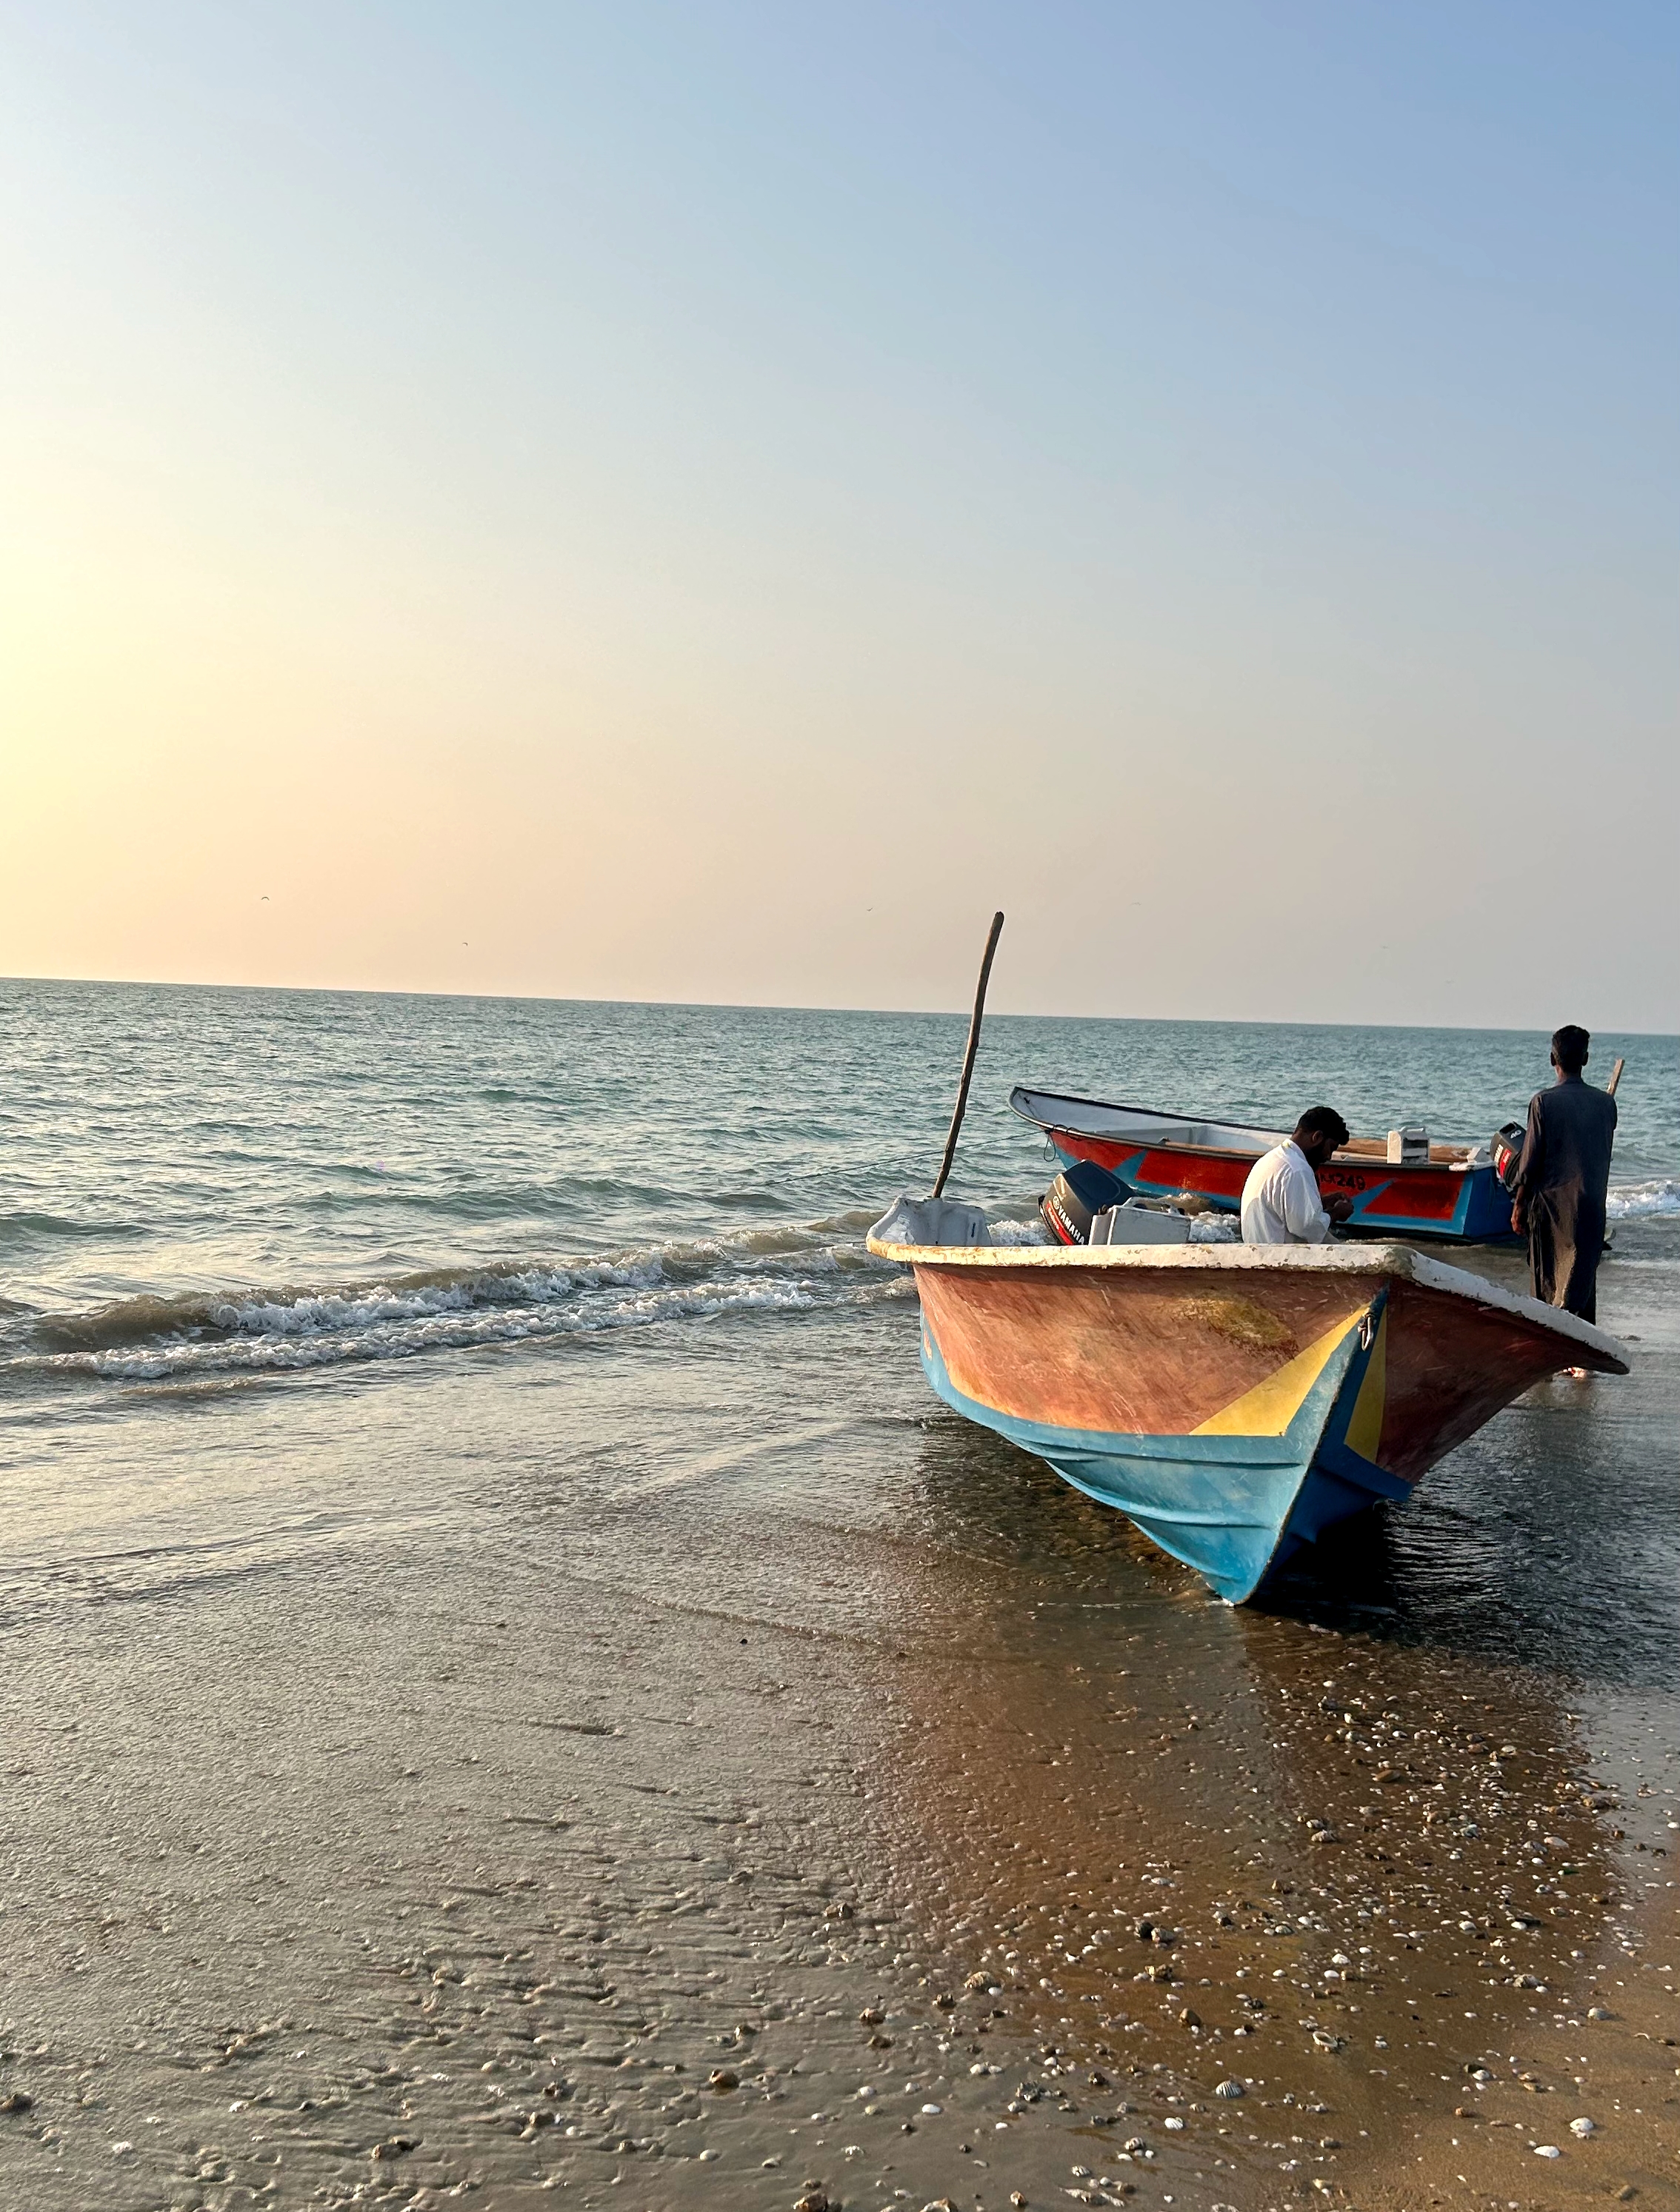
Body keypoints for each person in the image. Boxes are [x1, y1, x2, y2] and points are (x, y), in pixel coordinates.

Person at [1510, 1024, 1617, 1324]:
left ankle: (1553, 1358)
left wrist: (1518, 1206)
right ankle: (1581, 1363)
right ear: (1585, 1059)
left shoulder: (1543, 1103)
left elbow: (1529, 1164)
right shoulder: (1607, 1104)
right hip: (1591, 1209)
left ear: (1552, 1059)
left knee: (1547, 1290)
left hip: (1551, 1212)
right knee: (1583, 1286)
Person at [1241, 1106, 1356, 1244]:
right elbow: (1307, 1227)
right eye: (1330, 1148)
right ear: (1317, 1137)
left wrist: (1322, 1203)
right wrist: (1336, 1213)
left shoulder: (1273, 1158)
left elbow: (1286, 1209)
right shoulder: (1297, 1169)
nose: (1328, 1156)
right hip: (1279, 1258)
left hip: (1259, 1251)